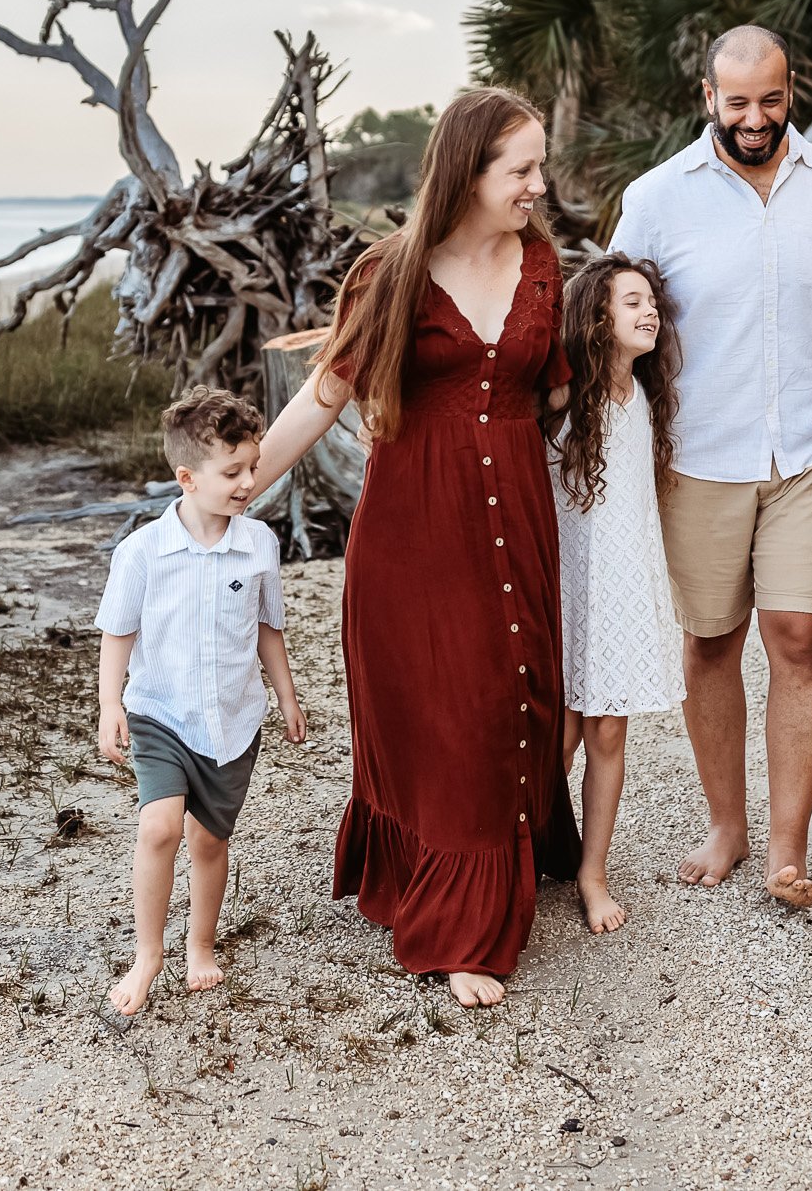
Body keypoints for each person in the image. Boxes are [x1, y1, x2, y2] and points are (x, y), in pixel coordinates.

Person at [256, 86, 578, 1008]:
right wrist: (240, 493)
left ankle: (499, 863)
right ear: (468, 173)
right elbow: (323, 394)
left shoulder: (543, 264)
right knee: (438, 710)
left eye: (538, 166)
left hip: (517, 518)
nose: (537, 184)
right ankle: (455, 921)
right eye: (520, 169)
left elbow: (560, 396)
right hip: (411, 529)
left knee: (505, 691)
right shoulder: (388, 274)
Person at [610, 26, 812, 905]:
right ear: (708, 96)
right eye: (736, 103)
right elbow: (612, 324)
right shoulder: (657, 198)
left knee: (800, 637)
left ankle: (786, 845)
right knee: (710, 641)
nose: (754, 118)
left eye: (770, 101)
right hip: (697, 457)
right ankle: (727, 824)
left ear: (790, 91)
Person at [96, 386, 306, 1016]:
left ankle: (200, 945)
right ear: (186, 477)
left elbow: (269, 631)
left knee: (210, 843)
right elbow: (118, 633)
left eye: (253, 466)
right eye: (232, 471)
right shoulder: (141, 552)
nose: (248, 482)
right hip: (159, 711)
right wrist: (111, 707)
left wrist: (287, 696)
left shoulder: (259, 545)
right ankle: (147, 955)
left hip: (232, 719)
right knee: (159, 827)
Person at [546, 252, 686, 935]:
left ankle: (592, 872)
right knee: (558, 737)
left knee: (609, 729)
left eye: (650, 300)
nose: (648, 310)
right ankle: (532, 855)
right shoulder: (565, 398)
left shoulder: (646, 399)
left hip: (624, 588)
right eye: (631, 301)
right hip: (569, 585)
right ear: (596, 315)